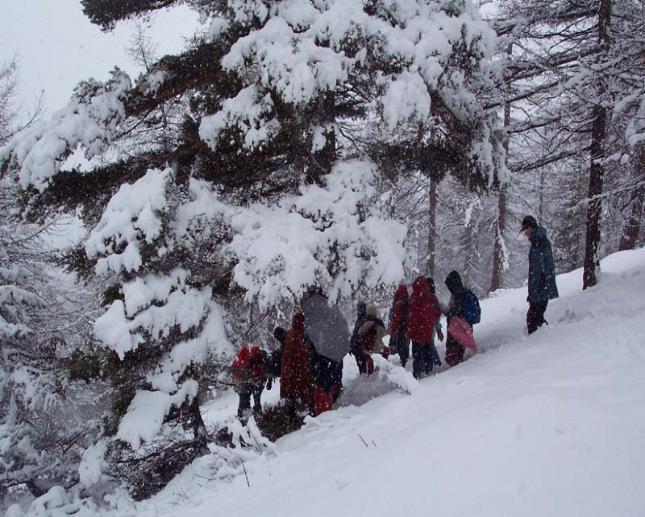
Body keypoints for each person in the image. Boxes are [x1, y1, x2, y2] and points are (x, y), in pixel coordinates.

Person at [302, 290, 351, 411]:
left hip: (323, 357)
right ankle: (325, 406)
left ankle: (323, 408)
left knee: (323, 384)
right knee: (327, 383)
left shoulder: (320, 323)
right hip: (327, 356)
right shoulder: (332, 321)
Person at [521, 215, 559, 334]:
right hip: (540, 288)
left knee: (533, 318)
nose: (525, 233)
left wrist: (538, 289)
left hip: (541, 288)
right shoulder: (537, 241)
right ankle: (542, 340)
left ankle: (539, 343)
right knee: (536, 318)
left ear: (531, 227)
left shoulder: (539, 242)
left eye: (526, 229)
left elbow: (543, 268)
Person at [407, 276, 442, 379]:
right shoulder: (430, 297)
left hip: (415, 333)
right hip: (427, 331)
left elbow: (410, 316)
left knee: (417, 356)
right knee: (428, 352)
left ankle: (417, 374)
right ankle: (428, 372)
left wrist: (410, 330)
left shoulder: (412, 298)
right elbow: (437, 312)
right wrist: (432, 323)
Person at [280, 312, 314, 412]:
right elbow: (303, 355)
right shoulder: (302, 335)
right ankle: (304, 415)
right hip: (299, 369)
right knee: (302, 393)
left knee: (291, 395)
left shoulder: (289, 334)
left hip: (288, 370)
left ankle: (291, 415)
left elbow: (286, 354)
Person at [232, 345, 272, 418]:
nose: (255, 359)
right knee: (249, 396)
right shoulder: (250, 360)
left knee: (254, 396)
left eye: (256, 357)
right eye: (254, 357)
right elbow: (248, 371)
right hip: (249, 382)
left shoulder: (264, 359)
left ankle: (254, 413)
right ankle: (252, 412)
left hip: (256, 381)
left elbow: (269, 371)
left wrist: (269, 382)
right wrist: (250, 379)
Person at [356, 303, 389, 375]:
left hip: (366, 349)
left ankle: (369, 364)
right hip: (378, 348)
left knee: (367, 354)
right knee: (386, 350)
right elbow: (384, 335)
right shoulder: (379, 323)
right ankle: (381, 367)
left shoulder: (363, 323)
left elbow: (358, 334)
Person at [443, 271, 466, 367]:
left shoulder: (458, 294)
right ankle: (456, 364)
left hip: (457, 328)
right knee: (457, 350)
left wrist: (447, 311)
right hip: (458, 328)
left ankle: (456, 367)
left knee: (454, 351)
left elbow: (456, 313)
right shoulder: (459, 293)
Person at [389, 284, 411, 367]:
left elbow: (396, 318)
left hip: (401, 327)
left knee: (400, 346)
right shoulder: (408, 300)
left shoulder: (398, 303)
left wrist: (393, 329)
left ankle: (404, 361)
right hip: (408, 326)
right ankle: (406, 359)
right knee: (406, 344)